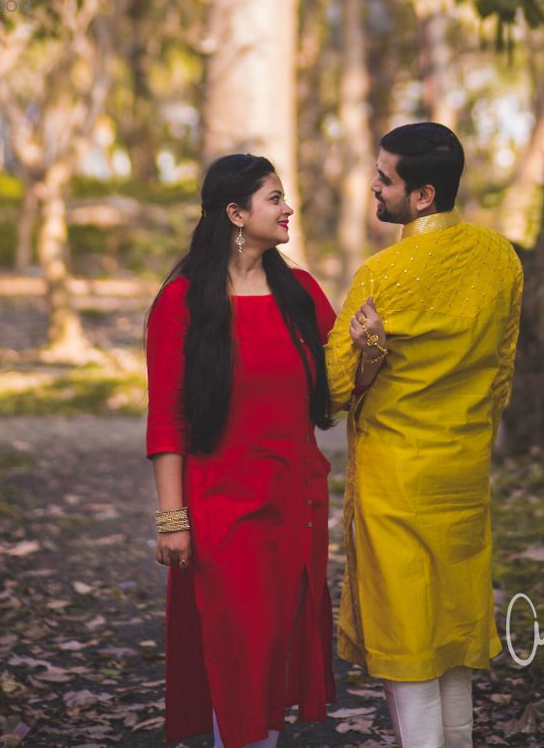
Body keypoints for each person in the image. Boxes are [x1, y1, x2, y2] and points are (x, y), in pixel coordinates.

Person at [325, 121, 524, 748]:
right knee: (453, 635)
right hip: (463, 474)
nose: (374, 188)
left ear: (423, 197)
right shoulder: (501, 257)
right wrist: (470, 436)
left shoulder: (384, 275)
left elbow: (330, 391)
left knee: (410, 639)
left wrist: (368, 353)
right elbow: (501, 373)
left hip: (396, 481)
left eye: (384, 179)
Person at [145, 153, 339, 748]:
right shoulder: (182, 303)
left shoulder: (300, 291)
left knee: (277, 650)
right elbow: (167, 420)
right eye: (275, 198)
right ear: (235, 212)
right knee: (240, 653)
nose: (288, 208)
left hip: (296, 501)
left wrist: (374, 348)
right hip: (222, 509)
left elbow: (338, 388)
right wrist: (173, 519)